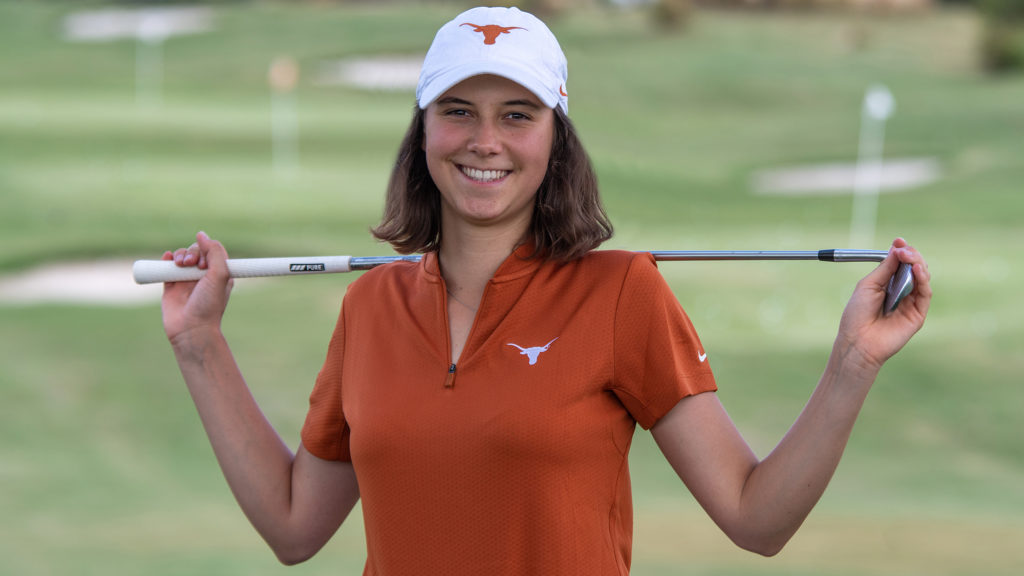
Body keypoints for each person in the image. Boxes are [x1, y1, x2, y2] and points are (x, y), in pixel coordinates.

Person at [159, 6, 931, 575]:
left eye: (516, 115)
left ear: (556, 138)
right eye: (457, 111)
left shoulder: (623, 292)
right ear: (422, 132)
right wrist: (200, 345)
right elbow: (295, 526)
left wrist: (851, 364)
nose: (484, 140)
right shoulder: (370, 309)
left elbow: (755, 517)